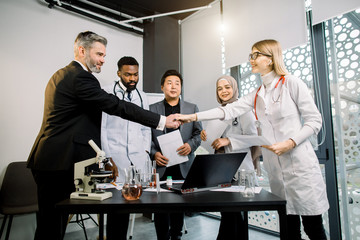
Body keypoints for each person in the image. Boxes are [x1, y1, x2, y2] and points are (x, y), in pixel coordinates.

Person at [27, 31, 180, 240]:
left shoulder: (61, 75)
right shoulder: (80, 77)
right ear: (82, 50)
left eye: (104, 56)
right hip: (58, 163)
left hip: (52, 161)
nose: (102, 60)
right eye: (99, 54)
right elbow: (116, 106)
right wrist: (161, 120)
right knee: (51, 229)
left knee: (50, 226)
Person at [178, 39, 329, 240]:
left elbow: (314, 120)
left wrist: (290, 142)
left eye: (256, 55)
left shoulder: (291, 83)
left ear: (270, 58)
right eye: (251, 55)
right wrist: (193, 117)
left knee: (313, 228)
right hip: (277, 171)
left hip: (300, 167)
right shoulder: (257, 93)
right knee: (288, 230)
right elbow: (228, 109)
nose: (251, 59)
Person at [200, 75, 259, 240]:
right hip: (220, 170)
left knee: (234, 213)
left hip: (239, 169)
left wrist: (229, 140)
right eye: (220, 89)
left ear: (234, 88)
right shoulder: (218, 112)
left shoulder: (244, 111)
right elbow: (213, 139)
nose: (224, 91)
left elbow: (254, 138)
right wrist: (206, 136)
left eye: (227, 87)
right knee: (227, 212)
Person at [150, 69, 202, 240]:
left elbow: (198, 134)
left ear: (181, 87)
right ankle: (162, 237)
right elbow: (144, 136)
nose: (173, 86)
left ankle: (177, 236)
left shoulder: (192, 108)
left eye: (177, 83)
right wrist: (154, 153)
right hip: (162, 165)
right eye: (169, 83)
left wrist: (190, 145)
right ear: (162, 86)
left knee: (179, 204)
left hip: (184, 164)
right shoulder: (152, 109)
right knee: (160, 205)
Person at [101, 56, 152, 182]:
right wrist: (107, 157)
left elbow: (146, 127)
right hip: (116, 157)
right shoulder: (106, 92)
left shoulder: (142, 96)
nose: (133, 79)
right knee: (117, 196)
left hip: (139, 157)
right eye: (128, 75)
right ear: (119, 73)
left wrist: (145, 150)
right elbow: (102, 128)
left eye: (135, 74)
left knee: (143, 196)